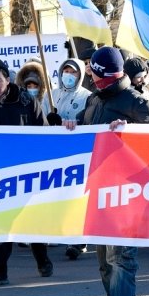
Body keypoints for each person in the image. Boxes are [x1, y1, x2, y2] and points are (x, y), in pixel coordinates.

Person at [64, 46, 149, 296]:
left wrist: (132, 131)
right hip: (97, 192)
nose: (92, 79)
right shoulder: (94, 100)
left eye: (96, 74)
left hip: (126, 193)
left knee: (120, 260)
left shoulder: (135, 101)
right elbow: (85, 131)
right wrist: (72, 127)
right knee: (106, 264)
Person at [0, 58, 53, 286]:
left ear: (7, 80)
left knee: (30, 219)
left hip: (26, 170)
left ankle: (42, 259)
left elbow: (44, 131)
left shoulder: (26, 101)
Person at [48, 58, 92, 259]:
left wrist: (74, 123)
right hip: (54, 153)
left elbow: (89, 121)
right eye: (65, 71)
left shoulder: (88, 97)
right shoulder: (51, 94)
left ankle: (78, 240)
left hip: (78, 153)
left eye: (73, 72)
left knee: (77, 197)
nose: (69, 75)